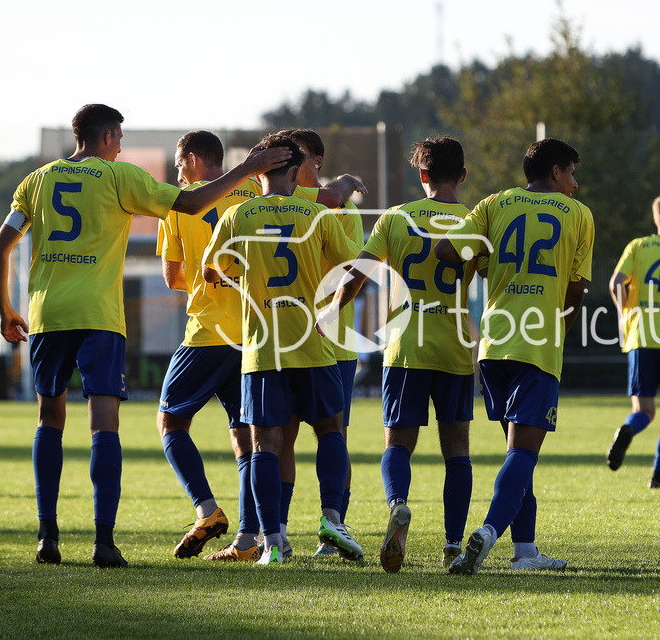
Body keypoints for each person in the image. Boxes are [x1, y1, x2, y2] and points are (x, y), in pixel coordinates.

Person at [0, 104, 289, 567]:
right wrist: (249, 168)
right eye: (120, 137)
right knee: (105, 424)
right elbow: (189, 202)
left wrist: (8, 309)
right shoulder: (119, 177)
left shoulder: (36, 180)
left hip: (49, 314)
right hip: (109, 317)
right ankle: (104, 543)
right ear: (107, 136)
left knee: (50, 421)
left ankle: (48, 537)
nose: (122, 145)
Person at [435, 138, 594, 575]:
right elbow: (577, 289)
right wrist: (560, 327)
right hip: (537, 343)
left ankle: (526, 552)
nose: (576, 185)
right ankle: (488, 532)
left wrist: (488, 259)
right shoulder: (579, 215)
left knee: (518, 453)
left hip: (494, 344)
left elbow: (446, 250)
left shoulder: (495, 204)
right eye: (572, 174)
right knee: (523, 454)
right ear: (557, 172)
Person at [202, 133, 363, 565]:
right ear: (295, 173)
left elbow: (210, 270)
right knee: (331, 430)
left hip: (262, 349)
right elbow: (357, 268)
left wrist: (244, 279)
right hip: (313, 342)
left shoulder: (237, 216)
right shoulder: (319, 215)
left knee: (264, 448)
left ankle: (271, 543)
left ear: (259, 174)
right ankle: (332, 519)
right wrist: (331, 310)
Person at [318, 136, 476, 572]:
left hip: (405, 345)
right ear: (462, 176)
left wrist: (332, 311)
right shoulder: (474, 220)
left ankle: (398, 504)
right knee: (457, 449)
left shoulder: (396, 218)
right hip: (456, 345)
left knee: (398, 443)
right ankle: (451, 543)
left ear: (421, 175)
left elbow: (359, 272)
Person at [155, 130, 266, 561]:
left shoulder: (180, 205)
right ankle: (249, 538)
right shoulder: (255, 189)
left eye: (181, 164)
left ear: (197, 160)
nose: (179, 173)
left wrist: (208, 285)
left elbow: (173, 277)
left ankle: (207, 511)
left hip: (208, 330)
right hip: (254, 332)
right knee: (247, 437)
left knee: (171, 423)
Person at [275, 128, 365, 558]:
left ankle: (334, 529)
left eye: (304, 158)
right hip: (284, 340)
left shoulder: (341, 210)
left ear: (317, 164)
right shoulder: (278, 208)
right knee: (282, 436)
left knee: (335, 434)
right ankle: (280, 531)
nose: (295, 167)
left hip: (333, 344)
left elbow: (353, 271)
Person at [606, 194, 660, 488]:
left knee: (644, 411)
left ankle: (628, 429)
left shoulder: (638, 246)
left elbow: (616, 282)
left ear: (656, 219)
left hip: (640, 335)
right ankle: (658, 475)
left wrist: (624, 312)